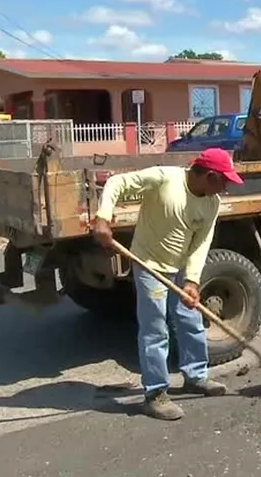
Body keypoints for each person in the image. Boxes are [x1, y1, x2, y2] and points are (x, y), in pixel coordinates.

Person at [91, 148, 244, 420]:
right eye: (224, 181)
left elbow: (201, 244)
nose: (227, 187)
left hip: (182, 265)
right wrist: (103, 217)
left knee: (191, 320)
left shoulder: (212, 202)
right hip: (150, 264)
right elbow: (117, 183)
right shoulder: (165, 178)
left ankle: (196, 376)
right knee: (155, 329)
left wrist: (192, 282)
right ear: (209, 176)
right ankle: (155, 394)